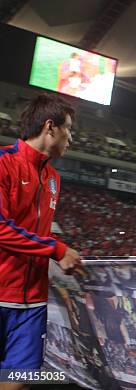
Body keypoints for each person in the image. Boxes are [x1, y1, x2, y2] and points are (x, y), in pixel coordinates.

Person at [0, 94, 84, 389]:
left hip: (32, 302)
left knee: (19, 380)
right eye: (69, 129)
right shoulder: (2, 163)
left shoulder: (53, 179)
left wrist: (63, 254)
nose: (71, 138)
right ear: (50, 127)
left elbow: (36, 231)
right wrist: (56, 249)